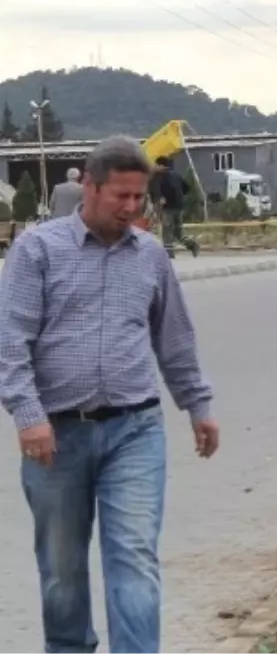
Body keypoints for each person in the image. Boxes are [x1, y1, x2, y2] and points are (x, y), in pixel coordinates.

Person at [0, 136, 219, 654]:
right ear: (89, 189)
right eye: (120, 196)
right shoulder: (37, 251)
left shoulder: (150, 257)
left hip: (134, 431)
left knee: (135, 558)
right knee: (62, 567)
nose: (130, 207)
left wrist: (198, 405)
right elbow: (11, 342)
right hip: (57, 435)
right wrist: (29, 416)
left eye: (138, 197)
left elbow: (176, 339)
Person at [150, 156, 199, 258]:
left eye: (156, 165)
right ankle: (192, 244)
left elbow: (158, 190)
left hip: (168, 208)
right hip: (179, 207)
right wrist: (179, 197)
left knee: (167, 231)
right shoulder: (176, 175)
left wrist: (164, 198)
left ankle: (169, 253)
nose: (155, 167)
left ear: (161, 165)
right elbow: (187, 188)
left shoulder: (160, 176)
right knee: (178, 233)